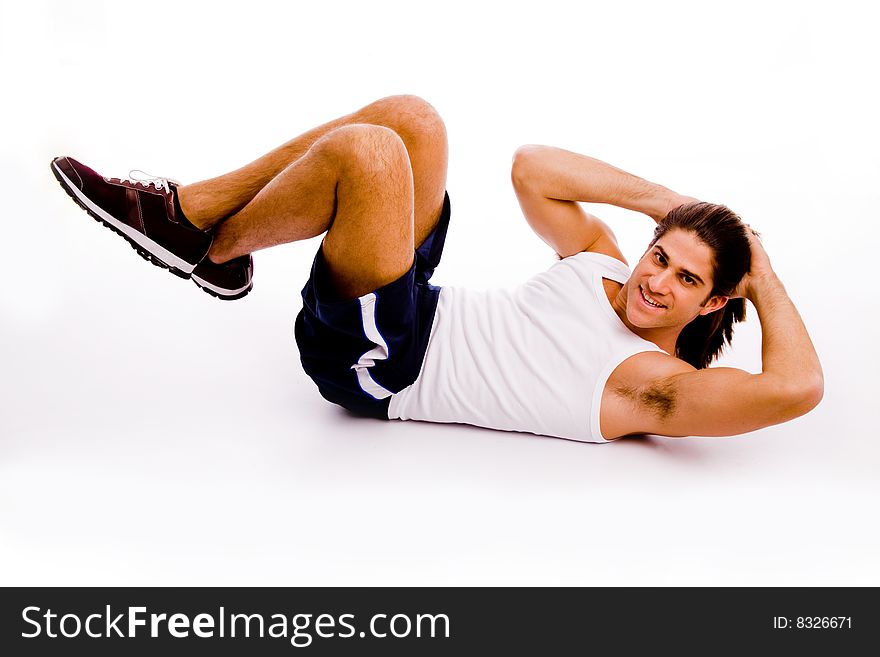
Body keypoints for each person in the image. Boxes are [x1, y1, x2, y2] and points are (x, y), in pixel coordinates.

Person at [50, 94, 823, 443]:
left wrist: (762, 268)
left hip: (385, 367)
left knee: (371, 154)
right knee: (413, 119)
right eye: (662, 255)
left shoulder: (650, 385)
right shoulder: (604, 268)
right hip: (412, 303)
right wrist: (668, 201)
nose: (657, 280)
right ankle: (189, 214)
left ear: (716, 299)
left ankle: (211, 246)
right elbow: (532, 169)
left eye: (687, 280)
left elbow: (797, 389)